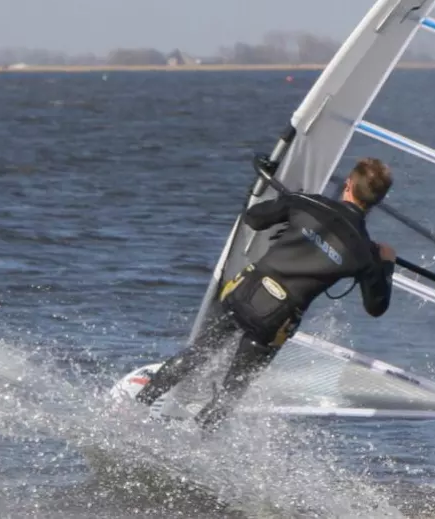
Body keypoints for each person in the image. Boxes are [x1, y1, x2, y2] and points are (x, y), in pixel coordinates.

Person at [135, 156, 398, 429]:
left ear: (348, 184)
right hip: (273, 322)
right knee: (232, 390)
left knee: (199, 353)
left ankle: (136, 406)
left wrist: (282, 196)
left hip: (243, 295)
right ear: (376, 202)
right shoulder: (364, 255)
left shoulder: (308, 204)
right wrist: (386, 263)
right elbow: (376, 307)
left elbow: (254, 218)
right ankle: (196, 440)